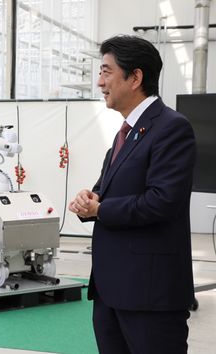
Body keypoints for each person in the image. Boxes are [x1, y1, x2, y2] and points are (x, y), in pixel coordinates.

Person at [68, 35, 196, 354]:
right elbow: (104, 193)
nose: (99, 82)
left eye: (106, 71)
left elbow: (162, 202)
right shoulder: (124, 134)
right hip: (111, 292)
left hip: (149, 296)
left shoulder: (172, 128)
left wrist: (101, 209)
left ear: (135, 77)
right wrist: (88, 202)